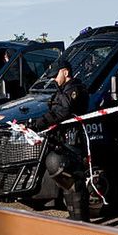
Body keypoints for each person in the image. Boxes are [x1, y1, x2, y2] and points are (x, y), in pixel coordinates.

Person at [30, 58, 91, 222]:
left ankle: (81, 219)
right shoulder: (63, 90)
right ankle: (74, 217)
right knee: (66, 179)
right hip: (63, 139)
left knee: (75, 180)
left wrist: (39, 123)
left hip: (73, 140)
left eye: (56, 76)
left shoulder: (75, 89)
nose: (54, 80)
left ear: (65, 72)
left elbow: (62, 112)